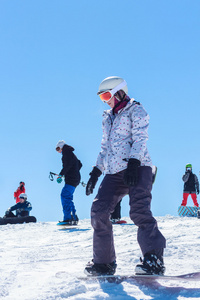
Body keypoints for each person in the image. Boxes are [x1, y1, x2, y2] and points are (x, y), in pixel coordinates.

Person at [85, 76, 166, 276]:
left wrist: (134, 162)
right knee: (99, 211)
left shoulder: (136, 110)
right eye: (102, 98)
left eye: (106, 95)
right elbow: (105, 148)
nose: (105, 101)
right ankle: (104, 262)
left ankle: (153, 259)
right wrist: (96, 172)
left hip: (138, 167)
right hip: (113, 171)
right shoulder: (107, 117)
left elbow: (140, 138)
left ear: (119, 91)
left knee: (139, 210)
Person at [56, 140, 82, 225]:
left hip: (71, 179)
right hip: (75, 178)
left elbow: (67, 166)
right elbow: (80, 164)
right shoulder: (71, 154)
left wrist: (61, 175)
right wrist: (74, 171)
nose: (58, 151)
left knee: (65, 195)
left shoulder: (66, 153)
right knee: (67, 196)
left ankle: (68, 218)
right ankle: (73, 217)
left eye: (58, 148)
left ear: (61, 147)